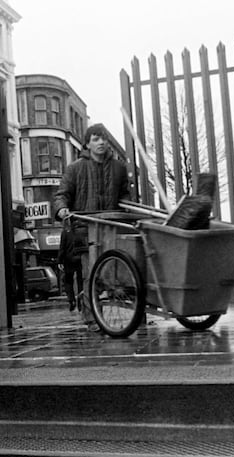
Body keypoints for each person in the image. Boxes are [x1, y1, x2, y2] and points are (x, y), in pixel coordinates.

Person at [53, 124, 132, 331]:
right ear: (87, 143)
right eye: (96, 139)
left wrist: (126, 205)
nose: (101, 143)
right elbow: (62, 194)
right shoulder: (75, 168)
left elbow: (124, 194)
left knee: (115, 271)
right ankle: (91, 318)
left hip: (111, 227)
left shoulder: (119, 168)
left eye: (104, 139)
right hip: (85, 228)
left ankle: (126, 311)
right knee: (90, 273)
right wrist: (62, 209)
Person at [57, 223, 82, 312]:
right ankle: (81, 300)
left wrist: (60, 261)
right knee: (80, 281)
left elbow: (62, 247)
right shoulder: (80, 230)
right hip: (80, 258)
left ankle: (71, 300)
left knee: (68, 281)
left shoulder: (65, 232)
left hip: (69, 259)